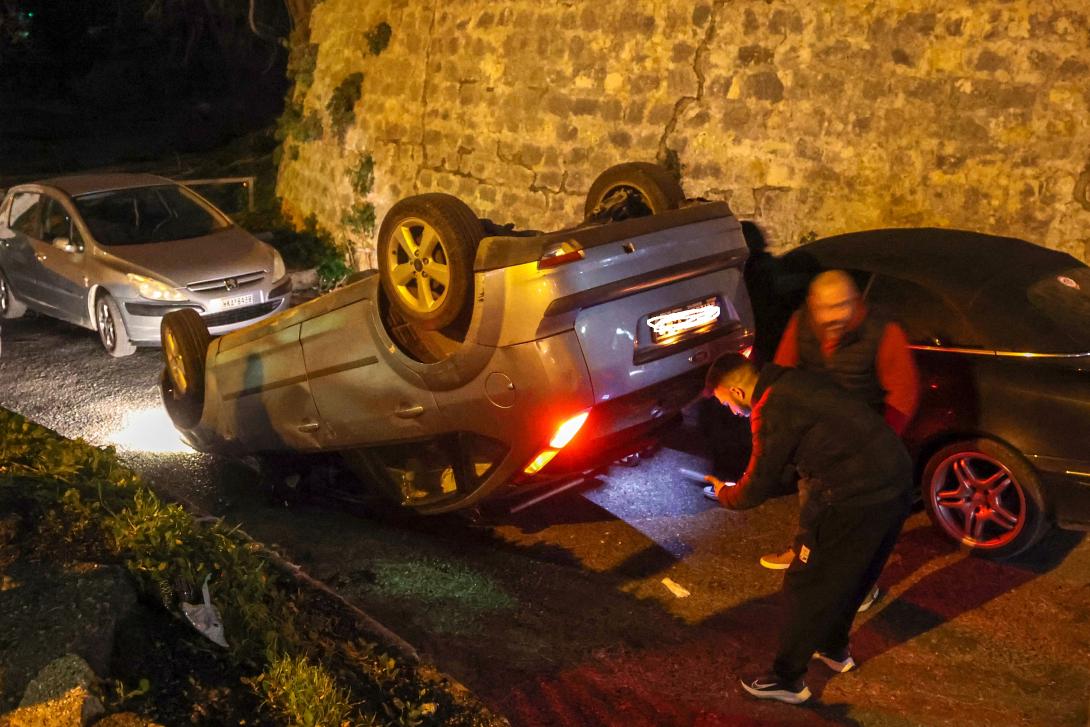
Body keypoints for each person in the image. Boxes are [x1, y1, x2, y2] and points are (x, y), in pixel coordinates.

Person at [703, 353, 913, 704]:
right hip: (896, 480)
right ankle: (833, 648)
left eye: (726, 403)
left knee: (806, 584)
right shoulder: (793, 381)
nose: (732, 411)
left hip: (853, 495)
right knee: (855, 574)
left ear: (737, 391)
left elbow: (755, 488)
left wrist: (724, 492)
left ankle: (787, 679)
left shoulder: (770, 409)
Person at [757, 269, 919, 573]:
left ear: (855, 301)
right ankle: (804, 552)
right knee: (811, 500)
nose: (834, 316)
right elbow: (782, 376)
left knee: (858, 518)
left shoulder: (883, 330)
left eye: (842, 306)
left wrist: (880, 445)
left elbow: (903, 393)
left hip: (862, 445)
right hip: (818, 444)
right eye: (826, 308)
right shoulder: (801, 323)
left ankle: (860, 580)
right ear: (812, 304)